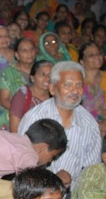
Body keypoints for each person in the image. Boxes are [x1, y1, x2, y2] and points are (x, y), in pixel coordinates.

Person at [19, 61, 101, 190]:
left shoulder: (89, 124)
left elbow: (92, 170)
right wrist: (52, 182)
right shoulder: (35, 118)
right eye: (68, 85)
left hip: (73, 194)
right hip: (37, 191)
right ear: (52, 89)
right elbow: (21, 165)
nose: (75, 91)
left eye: (79, 85)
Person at [9, 60, 53, 133]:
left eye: (50, 75)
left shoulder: (56, 97)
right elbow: (14, 129)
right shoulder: (22, 96)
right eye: (42, 74)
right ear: (32, 78)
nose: (48, 78)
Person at [79, 42, 106, 127]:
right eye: (91, 55)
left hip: (100, 119)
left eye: (99, 53)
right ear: (82, 62)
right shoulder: (77, 79)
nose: (97, 57)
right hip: (80, 120)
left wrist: (102, 122)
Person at [0, 37, 37, 110]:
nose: (29, 53)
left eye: (32, 49)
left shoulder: (41, 69)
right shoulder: (8, 72)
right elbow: (4, 100)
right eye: (24, 50)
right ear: (17, 55)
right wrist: (21, 111)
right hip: (16, 110)